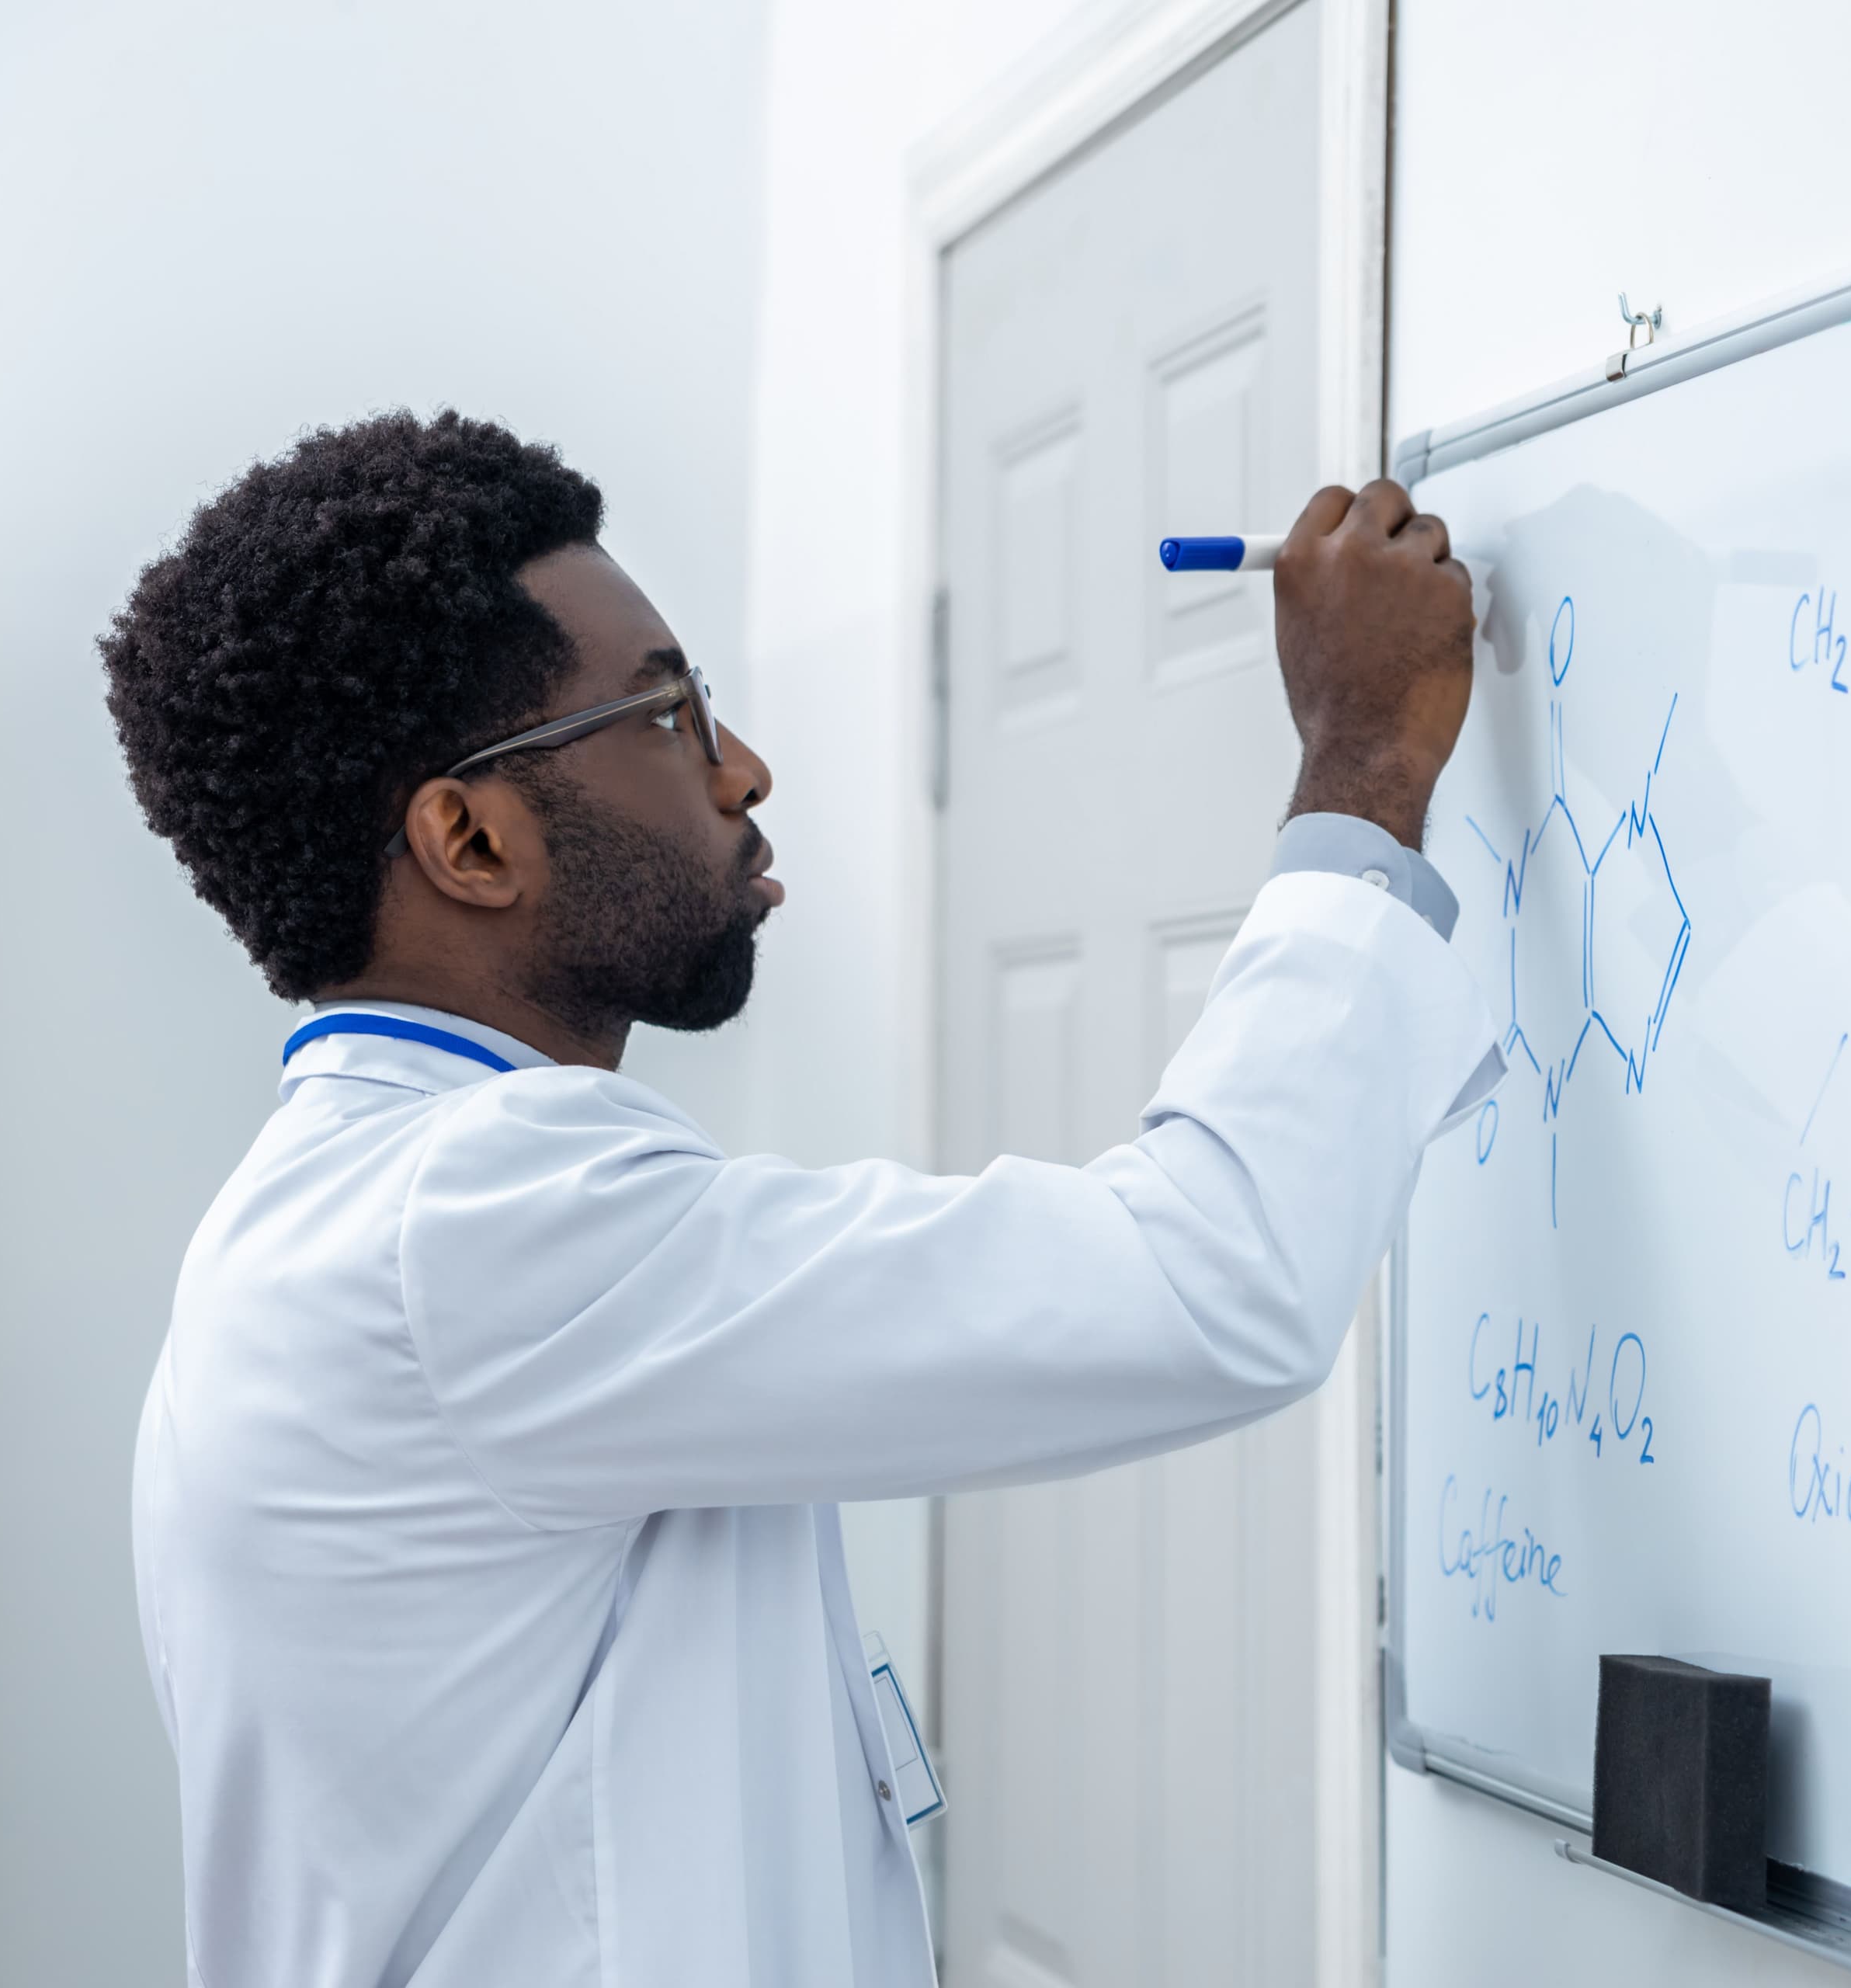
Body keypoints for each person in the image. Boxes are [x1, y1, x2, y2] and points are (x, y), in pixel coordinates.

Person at [106, 409, 1495, 1986]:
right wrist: (1363, 765)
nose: (745, 768)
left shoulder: (339, 1212)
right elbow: (1211, 1278)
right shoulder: (477, 1222)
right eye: (668, 713)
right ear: (470, 838)